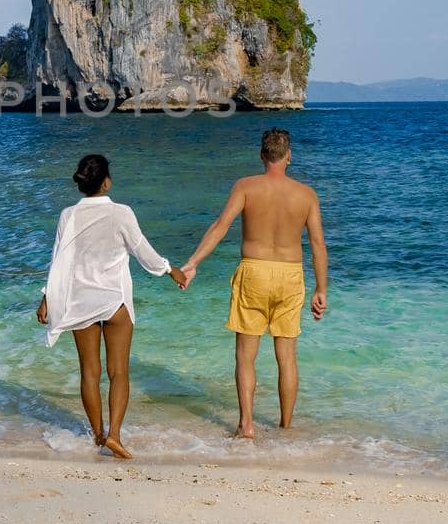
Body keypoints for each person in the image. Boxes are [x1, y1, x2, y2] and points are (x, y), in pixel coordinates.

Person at [179, 128, 328, 439]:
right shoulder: (306, 195)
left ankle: (246, 425)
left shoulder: (246, 186)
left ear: (262, 156)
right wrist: (321, 289)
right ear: (289, 156)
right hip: (290, 274)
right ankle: (286, 427)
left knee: (245, 356)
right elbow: (318, 245)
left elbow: (220, 226)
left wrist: (193, 263)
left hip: (254, 272)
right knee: (286, 357)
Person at [37, 153, 185, 460]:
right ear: (107, 181)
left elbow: (58, 260)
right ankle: (115, 435)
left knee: (89, 373)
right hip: (114, 301)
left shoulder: (69, 215)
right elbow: (143, 250)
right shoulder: (121, 213)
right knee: (119, 372)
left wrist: (46, 298)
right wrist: (170, 270)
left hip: (80, 302)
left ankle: (98, 435)